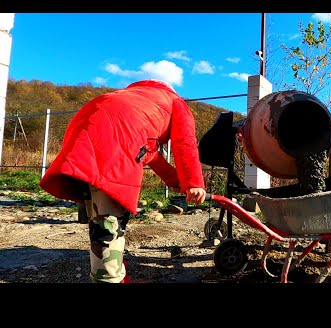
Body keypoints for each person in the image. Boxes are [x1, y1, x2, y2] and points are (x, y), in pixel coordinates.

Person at [39, 79, 206, 283]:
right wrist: (194, 182)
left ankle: (114, 274)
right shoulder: (175, 101)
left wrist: (177, 181)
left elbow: (150, 153)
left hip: (83, 129)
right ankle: (109, 279)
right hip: (116, 140)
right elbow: (185, 142)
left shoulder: (134, 98)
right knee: (109, 223)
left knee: (98, 218)